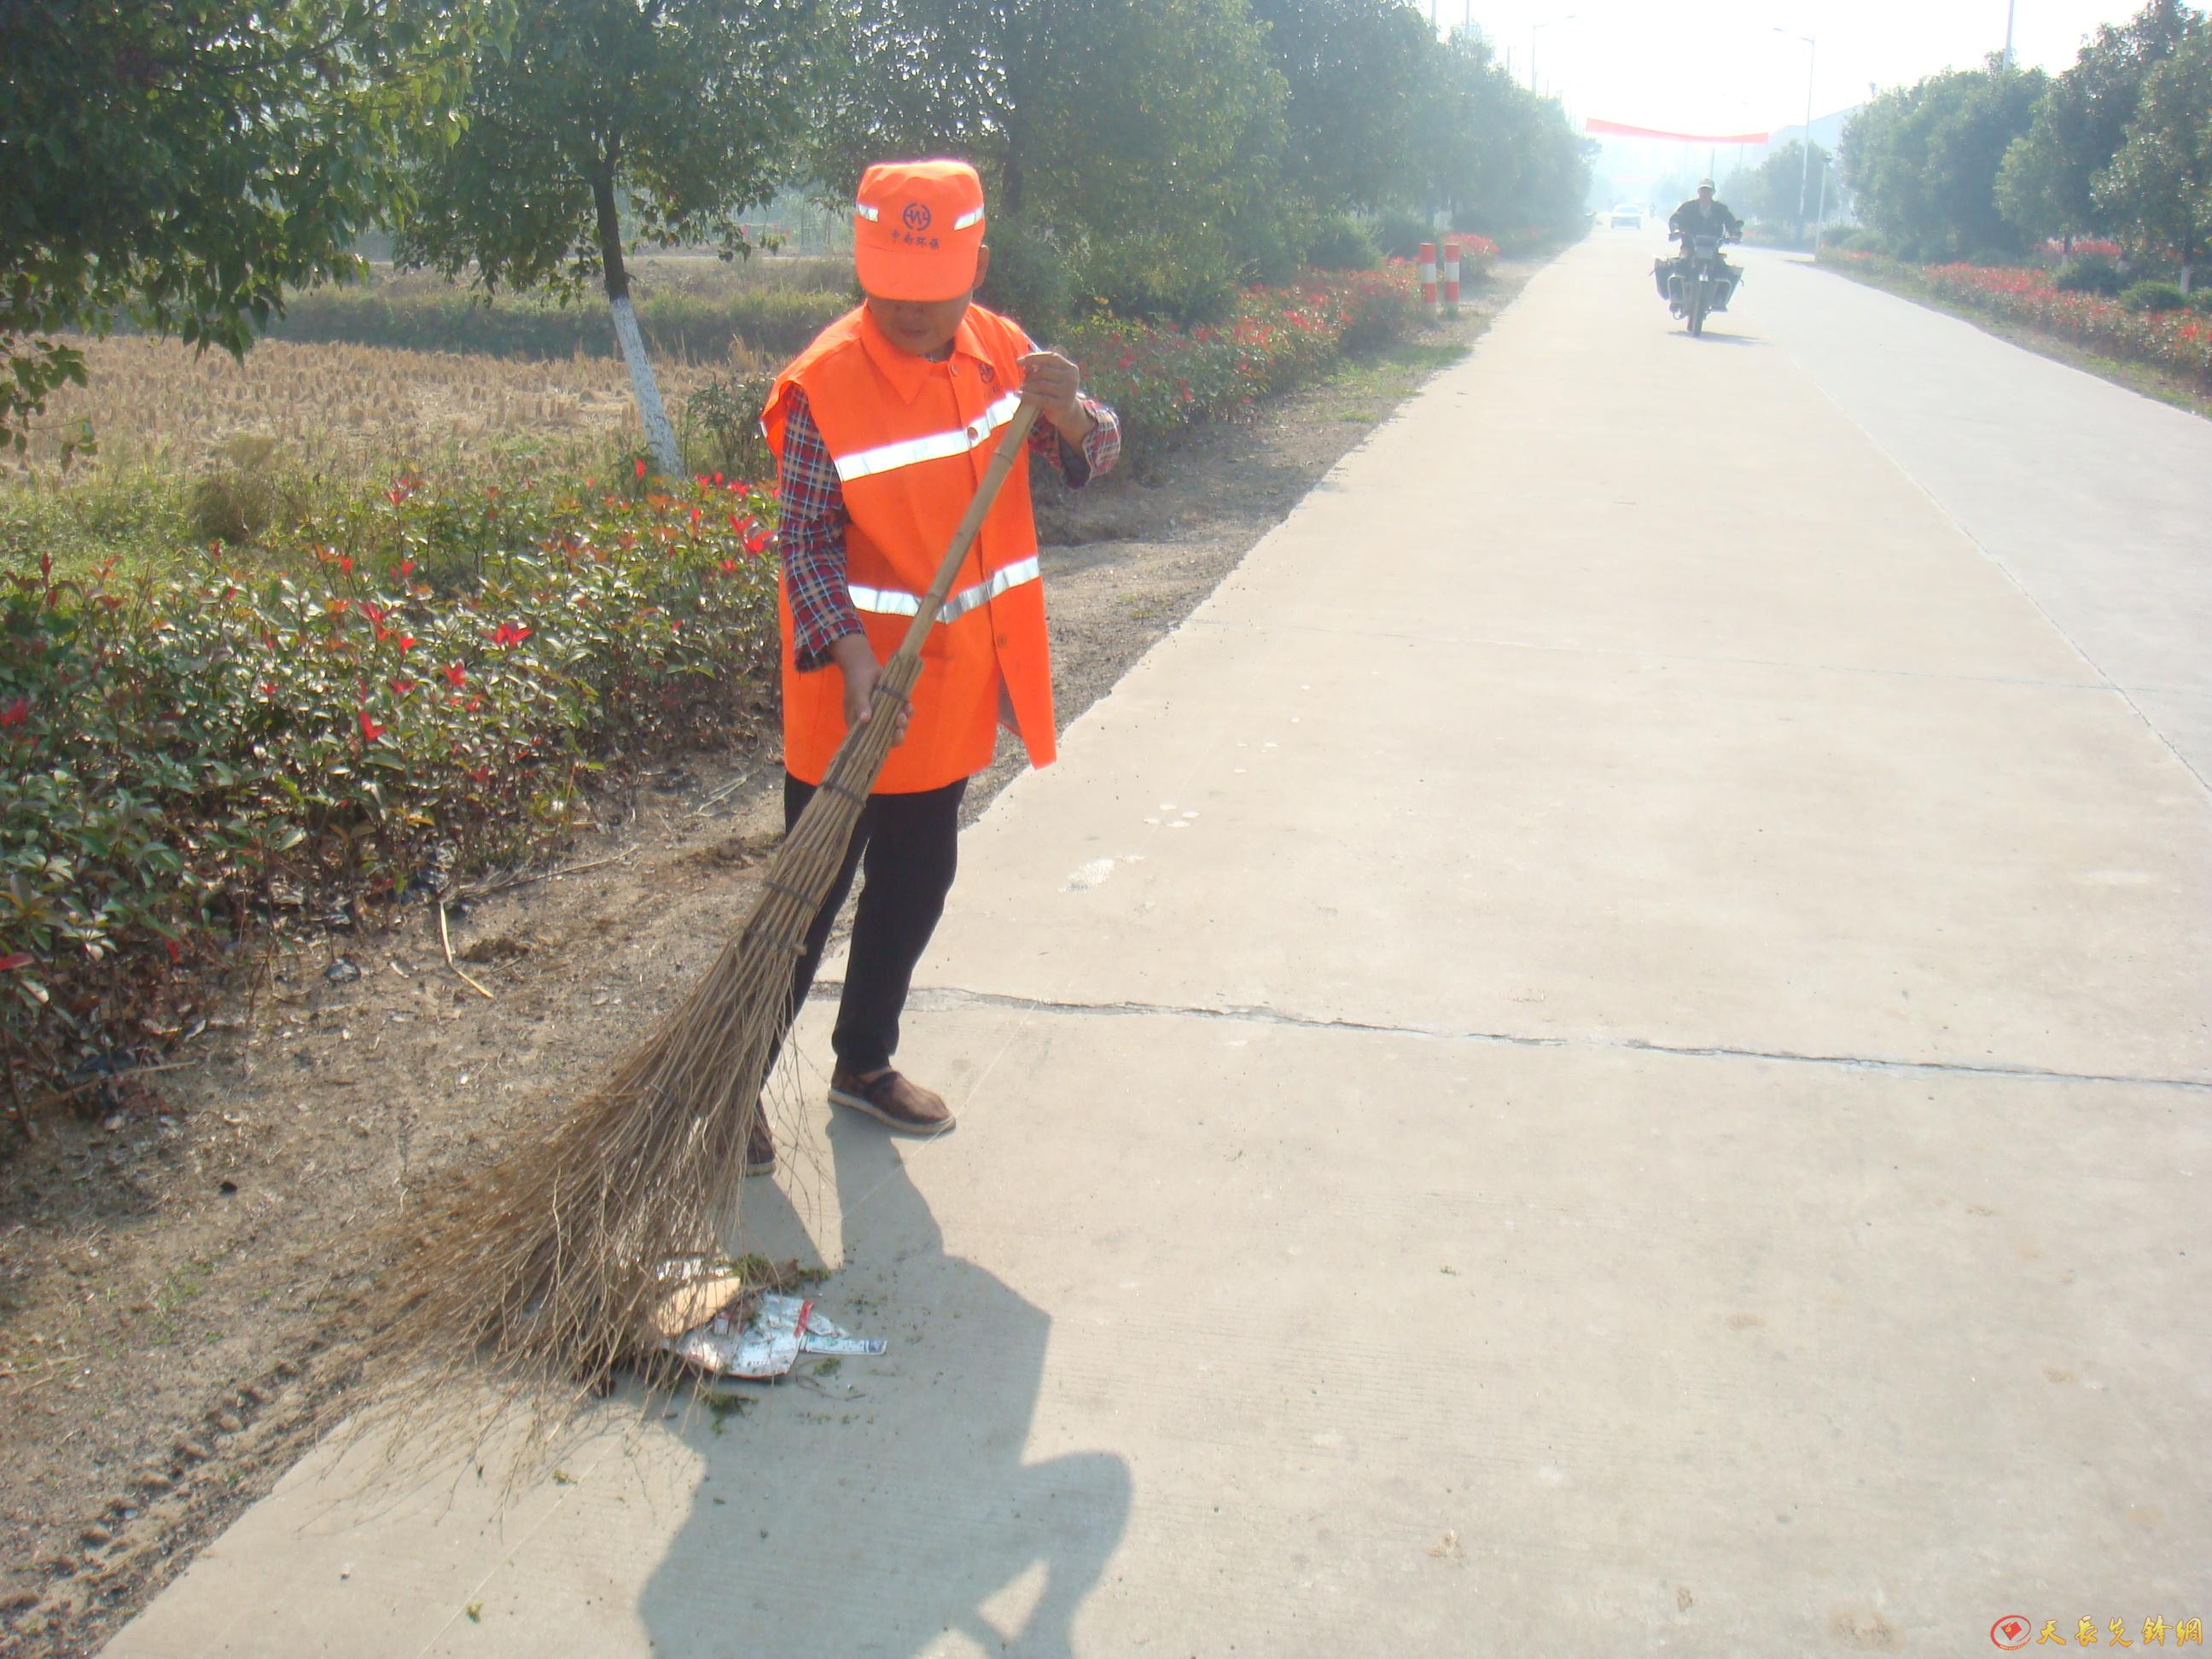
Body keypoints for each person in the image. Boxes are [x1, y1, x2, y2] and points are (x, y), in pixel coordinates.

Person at [751, 158, 1121, 1175]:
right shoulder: (825, 382)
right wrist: (855, 654)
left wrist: (1071, 414)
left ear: (977, 267)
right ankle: (728, 1083)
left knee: (917, 883)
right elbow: (806, 541)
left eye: (934, 290)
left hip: (950, 693)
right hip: (856, 693)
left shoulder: (1008, 355)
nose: (910, 312)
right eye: (889, 290)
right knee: (806, 898)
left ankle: (861, 1063)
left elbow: (1094, 456)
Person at [1656, 178, 1744, 307]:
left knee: (1724, 270)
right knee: (1680, 265)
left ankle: (1720, 297)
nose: (1705, 194)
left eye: (1708, 191)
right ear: (1698, 192)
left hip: (1712, 249)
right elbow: (1676, 219)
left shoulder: (1720, 209)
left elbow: (1731, 224)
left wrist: (1734, 234)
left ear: (1713, 193)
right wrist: (1676, 230)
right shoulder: (1688, 207)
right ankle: (1676, 293)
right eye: (1703, 191)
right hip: (1689, 247)